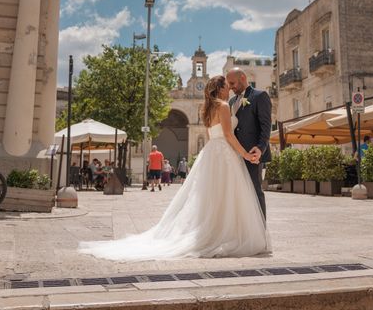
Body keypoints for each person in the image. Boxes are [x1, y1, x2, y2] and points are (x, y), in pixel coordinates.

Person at [78, 75, 270, 260]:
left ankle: (213, 230)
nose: (230, 89)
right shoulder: (224, 106)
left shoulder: (206, 109)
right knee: (226, 195)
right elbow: (229, 135)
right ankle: (225, 233)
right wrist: (244, 154)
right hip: (225, 153)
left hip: (211, 152)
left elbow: (212, 136)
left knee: (210, 196)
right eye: (227, 87)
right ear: (220, 89)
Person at [226, 68, 271, 219]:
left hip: (253, 153)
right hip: (235, 154)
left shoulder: (260, 96)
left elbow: (266, 126)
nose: (230, 87)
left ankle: (260, 228)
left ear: (243, 78)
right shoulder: (231, 101)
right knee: (237, 192)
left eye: (232, 83)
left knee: (254, 190)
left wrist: (260, 148)